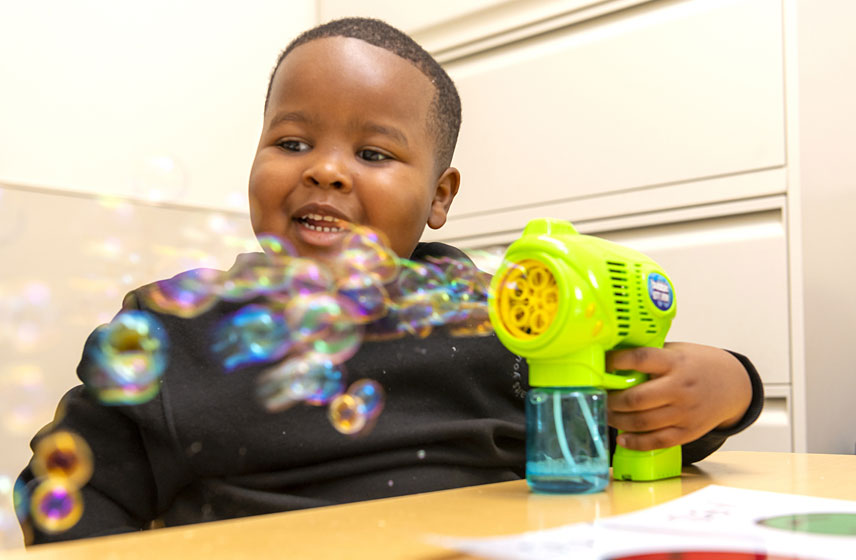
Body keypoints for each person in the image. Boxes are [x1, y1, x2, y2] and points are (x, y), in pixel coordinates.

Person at [17, 17, 763, 545]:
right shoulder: (173, 332)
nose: (326, 168)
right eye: (292, 140)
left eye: (373, 154)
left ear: (440, 197)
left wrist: (729, 388)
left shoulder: (512, 319)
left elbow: (642, 428)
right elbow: (74, 496)